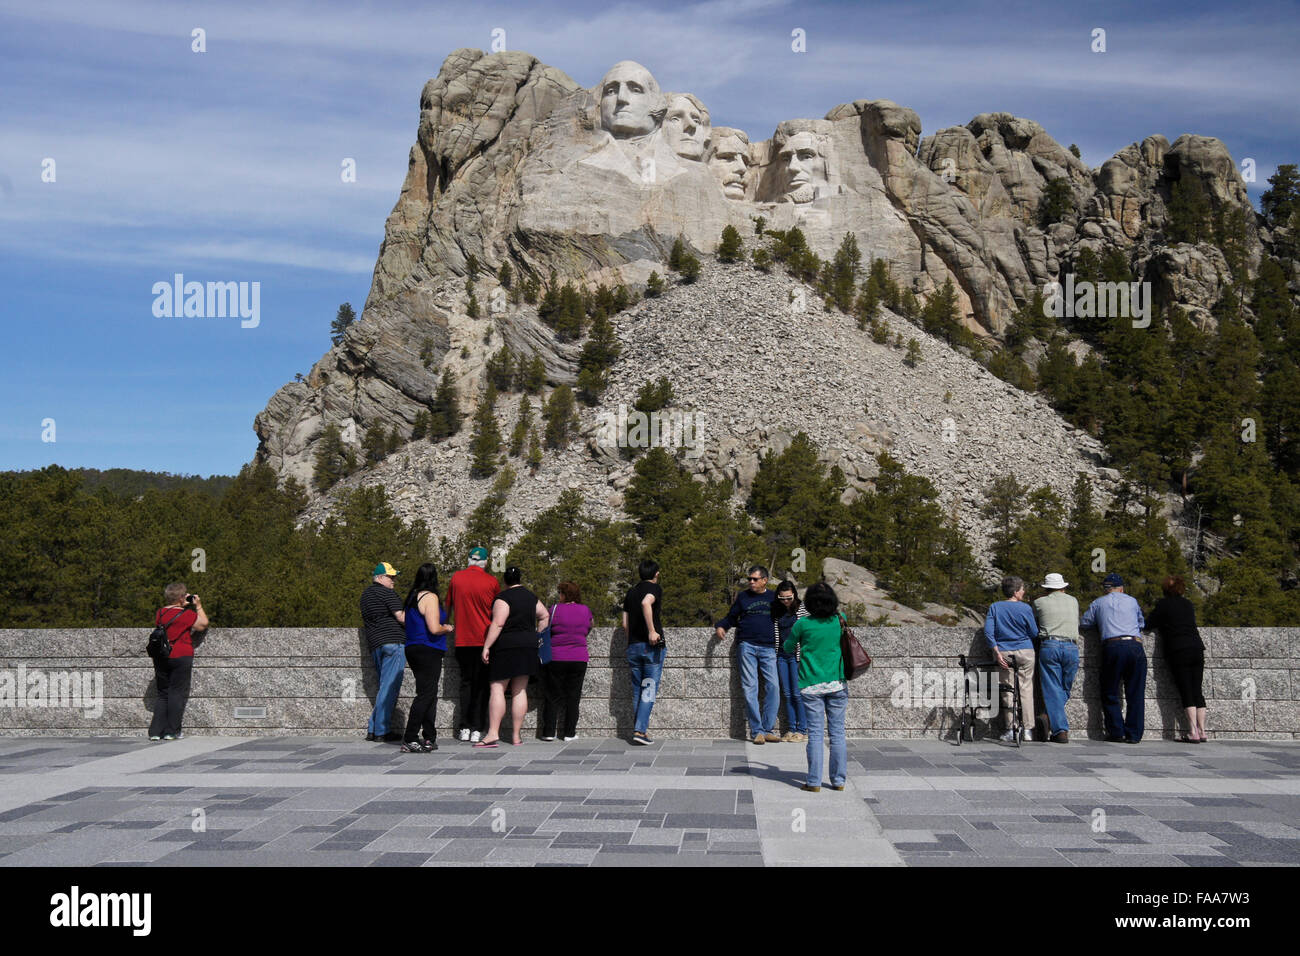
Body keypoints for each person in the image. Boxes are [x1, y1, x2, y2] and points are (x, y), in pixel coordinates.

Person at [783, 581, 847, 792]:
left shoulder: (802, 624)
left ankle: (813, 782)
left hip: (811, 685)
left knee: (816, 735)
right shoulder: (840, 620)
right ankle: (838, 781)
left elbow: (788, 647)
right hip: (837, 683)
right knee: (837, 734)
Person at [477, 567, 548, 748]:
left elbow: (499, 622)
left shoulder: (503, 598)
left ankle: (493, 733)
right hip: (528, 646)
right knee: (520, 690)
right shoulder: (531, 597)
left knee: (497, 688)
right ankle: (516, 736)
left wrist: (486, 646)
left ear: (505, 581)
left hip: (506, 646)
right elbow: (545, 615)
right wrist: (537, 635)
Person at [714, 565, 780, 745]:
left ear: (764, 580)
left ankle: (768, 729)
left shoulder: (774, 597)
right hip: (747, 646)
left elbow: (787, 615)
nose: (751, 582)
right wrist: (721, 626)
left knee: (773, 686)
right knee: (751, 687)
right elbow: (731, 616)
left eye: (755, 579)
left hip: (768, 648)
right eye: (749, 579)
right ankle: (756, 731)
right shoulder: (743, 597)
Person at [1081, 572, 1147, 743]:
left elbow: (1085, 623)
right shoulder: (1132, 601)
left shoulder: (1098, 603)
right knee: (1136, 693)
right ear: (1122, 588)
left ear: (1106, 589)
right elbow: (1141, 623)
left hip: (1113, 645)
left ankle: (1116, 731)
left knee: (1109, 691)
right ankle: (1134, 734)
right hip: (1135, 645)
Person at [446, 547, 500, 742]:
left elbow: (448, 607)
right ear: (484, 563)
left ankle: (464, 727)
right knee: (482, 686)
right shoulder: (492, 581)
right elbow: (497, 612)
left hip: (462, 640)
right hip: (485, 640)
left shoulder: (456, 578)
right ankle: (478, 728)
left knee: (466, 684)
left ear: (469, 560)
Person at [400, 564, 453, 753]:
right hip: (428, 648)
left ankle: (429, 736)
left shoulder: (412, 597)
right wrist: (447, 628)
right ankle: (410, 737)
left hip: (413, 647)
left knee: (429, 693)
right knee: (425, 694)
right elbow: (433, 628)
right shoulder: (430, 597)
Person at [1146, 575, 1207, 742]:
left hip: (1178, 649)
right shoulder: (1188, 604)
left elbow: (1148, 624)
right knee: (1197, 690)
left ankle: (1192, 731)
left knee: (1186, 689)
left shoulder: (1163, 605)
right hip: (1197, 647)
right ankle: (1202, 730)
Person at [149, 582, 208, 740]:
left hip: (161, 656)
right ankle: (171, 731)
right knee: (176, 693)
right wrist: (198, 606)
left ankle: (155, 732)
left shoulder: (160, 613)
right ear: (182, 598)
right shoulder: (186, 615)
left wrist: (182, 603)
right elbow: (203, 624)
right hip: (181, 655)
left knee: (163, 694)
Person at [983, 575, 1038, 742]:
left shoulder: (995, 607)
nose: (1023, 591)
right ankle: (1027, 729)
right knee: (1026, 689)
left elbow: (988, 632)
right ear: (1015, 592)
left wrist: (997, 653)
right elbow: (1034, 632)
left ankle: (1011, 728)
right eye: (1022, 589)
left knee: (1008, 690)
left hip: (1005, 653)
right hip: (1026, 651)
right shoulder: (1026, 608)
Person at [540, 581, 593, 742]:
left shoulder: (555, 609)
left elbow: (545, 628)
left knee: (552, 695)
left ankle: (549, 732)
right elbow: (590, 627)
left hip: (557, 657)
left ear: (563, 594)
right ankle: (569, 733)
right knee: (573, 696)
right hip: (578, 657)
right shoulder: (585, 610)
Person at [361, 562, 407, 742]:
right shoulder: (387, 593)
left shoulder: (365, 595)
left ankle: (373, 729)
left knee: (384, 687)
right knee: (389, 688)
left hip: (376, 645)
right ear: (380, 578)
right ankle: (381, 730)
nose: (393, 580)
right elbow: (401, 617)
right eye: (390, 577)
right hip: (393, 643)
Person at [1033, 572, 1080, 743]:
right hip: (1071, 646)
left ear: (1046, 589)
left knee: (1052, 687)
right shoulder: (1073, 601)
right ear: (1064, 587)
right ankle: (1056, 726)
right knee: (1064, 687)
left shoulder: (1039, 602)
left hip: (1050, 645)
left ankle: (1055, 724)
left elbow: (1034, 623)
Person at [623, 558, 665, 745]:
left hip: (633, 646)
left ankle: (638, 729)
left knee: (637, 690)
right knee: (648, 688)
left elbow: (625, 624)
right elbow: (646, 603)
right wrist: (651, 631)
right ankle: (640, 731)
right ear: (656, 574)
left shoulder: (630, 592)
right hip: (651, 647)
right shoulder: (654, 588)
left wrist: (632, 640)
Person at [773, 580, 809, 742]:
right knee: (787, 694)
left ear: (794, 594)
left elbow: (809, 631)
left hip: (797, 656)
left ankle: (802, 730)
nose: (786, 601)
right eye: (782, 598)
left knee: (797, 693)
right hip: (781, 655)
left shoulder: (802, 609)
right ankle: (791, 728)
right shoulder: (777, 611)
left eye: (789, 598)